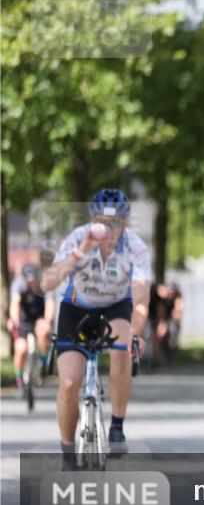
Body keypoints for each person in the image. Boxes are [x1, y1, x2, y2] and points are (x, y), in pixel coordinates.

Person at [40, 189, 151, 469]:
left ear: (125, 223)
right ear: (93, 220)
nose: (109, 229)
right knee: (68, 383)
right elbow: (47, 283)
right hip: (76, 307)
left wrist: (136, 332)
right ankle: (67, 453)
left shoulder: (136, 247)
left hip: (115, 307)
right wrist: (79, 253)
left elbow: (140, 301)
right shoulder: (78, 238)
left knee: (122, 351)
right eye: (103, 221)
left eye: (116, 223)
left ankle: (116, 426)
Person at [8, 264, 55, 390]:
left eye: (33, 280)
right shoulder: (18, 285)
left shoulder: (45, 286)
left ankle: (43, 361)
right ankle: (19, 378)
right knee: (21, 348)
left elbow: (50, 304)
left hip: (39, 318)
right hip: (23, 321)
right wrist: (14, 320)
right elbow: (14, 305)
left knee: (43, 332)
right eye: (28, 280)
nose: (31, 283)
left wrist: (47, 320)